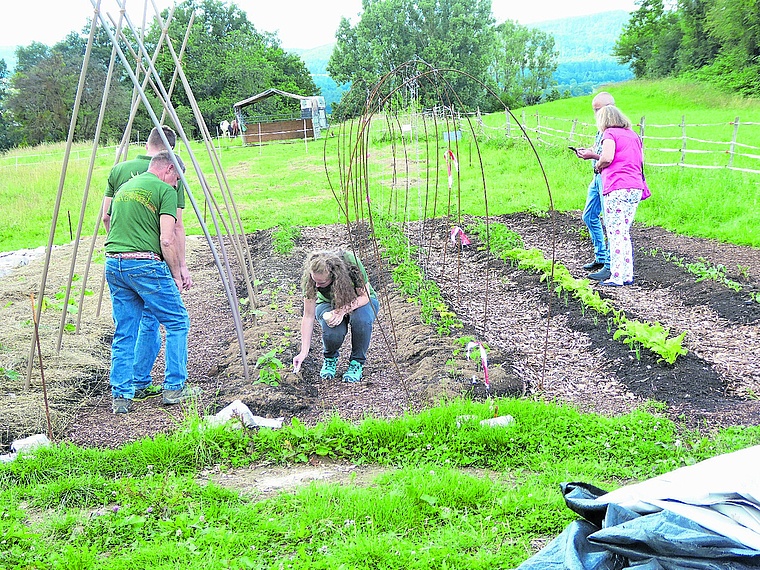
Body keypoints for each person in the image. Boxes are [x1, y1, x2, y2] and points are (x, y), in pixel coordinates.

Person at [105, 151, 201, 413]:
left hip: (114, 263)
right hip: (145, 264)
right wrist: (176, 273)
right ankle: (175, 387)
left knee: (125, 330)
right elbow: (167, 239)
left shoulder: (124, 187)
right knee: (177, 321)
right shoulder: (164, 191)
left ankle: (122, 395)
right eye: (177, 179)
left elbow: (106, 219)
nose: (176, 185)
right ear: (169, 169)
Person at [292, 250, 380, 383]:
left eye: (321, 283)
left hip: (361, 300)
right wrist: (303, 352)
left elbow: (364, 296)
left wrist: (342, 310)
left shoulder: (352, 263)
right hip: (328, 303)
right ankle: (330, 358)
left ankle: (356, 363)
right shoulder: (311, 278)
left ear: (333, 277)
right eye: (314, 280)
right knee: (333, 330)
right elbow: (308, 316)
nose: (316, 285)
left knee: (361, 320)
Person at [594, 106, 651, 287]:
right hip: (635, 186)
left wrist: (598, 165)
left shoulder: (609, 134)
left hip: (617, 185)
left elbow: (608, 157)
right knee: (624, 232)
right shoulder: (633, 135)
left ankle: (616, 276)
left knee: (614, 232)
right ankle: (627, 275)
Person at [573, 91, 615, 281]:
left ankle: (610, 263)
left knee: (609, 221)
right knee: (589, 216)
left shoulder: (614, 129)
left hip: (607, 178)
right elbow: (599, 150)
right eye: (594, 110)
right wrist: (587, 152)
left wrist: (594, 156)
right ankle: (600, 256)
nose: (596, 114)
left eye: (598, 110)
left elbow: (610, 158)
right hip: (596, 177)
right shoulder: (601, 129)